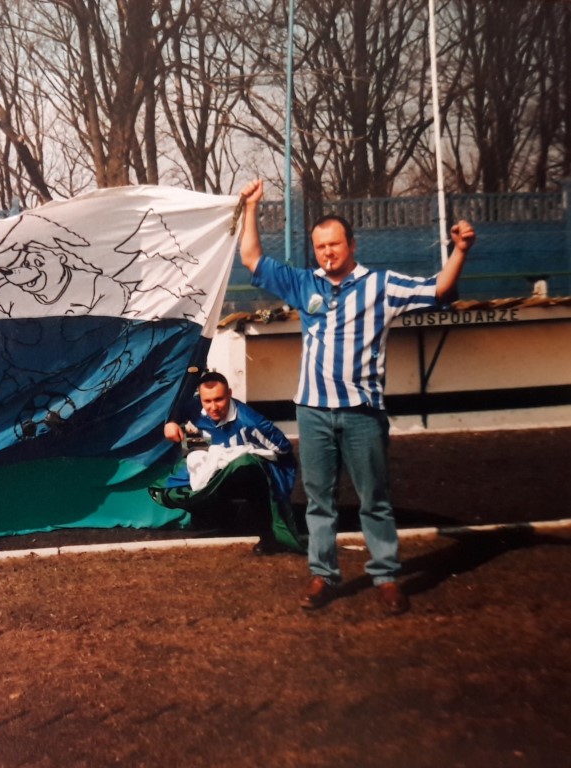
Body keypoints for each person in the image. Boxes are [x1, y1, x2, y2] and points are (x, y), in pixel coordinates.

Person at [237, 178, 476, 615]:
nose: (327, 253)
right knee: (320, 502)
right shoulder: (303, 283)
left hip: (363, 413)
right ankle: (322, 576)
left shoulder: (381, 285)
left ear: (351, 244)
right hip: (312, 411)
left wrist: (460, 251)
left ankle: (386, 577)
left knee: (375, 501)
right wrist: (251, 207)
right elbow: (251, 258)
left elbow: (438, 289)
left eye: (334, 244)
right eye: (320, 247)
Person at [153, 370, 303, 555]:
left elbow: (283, 448)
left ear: (230, 394)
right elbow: (176, 408)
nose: (213, 407)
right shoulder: (192, 409)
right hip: (215, 467)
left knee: (245, 467)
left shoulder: (252, 422)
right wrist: (171, 422)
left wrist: (254, 457)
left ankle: (268, 536)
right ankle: (222, 517)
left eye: (219, 399)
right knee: (174, 488)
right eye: (207, 401)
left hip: (250, 474)